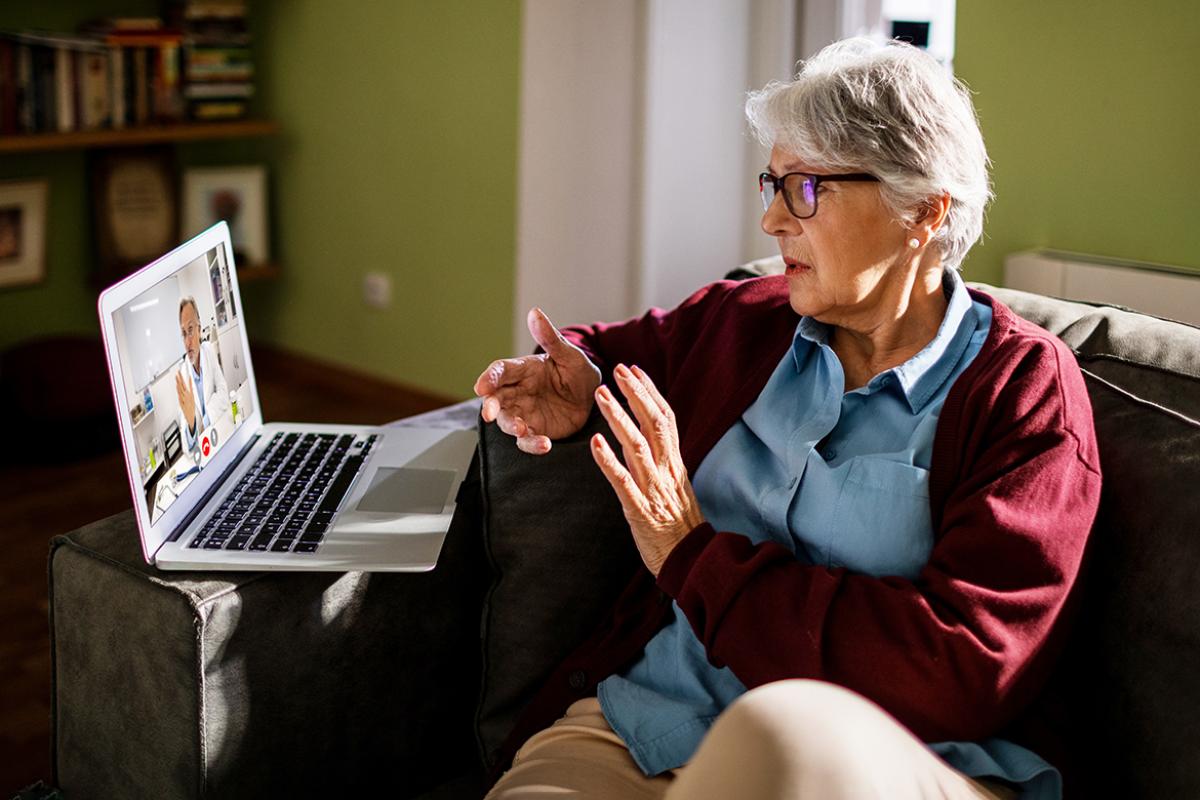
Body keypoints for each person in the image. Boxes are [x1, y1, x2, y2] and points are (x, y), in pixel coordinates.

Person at [474, 37, 1100, 800]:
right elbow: (612, 357)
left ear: (921, 211)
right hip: (652, 726)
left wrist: (690, 553)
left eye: (805, 189)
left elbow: (962, 667)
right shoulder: (748, 322)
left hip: (897, 763)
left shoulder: (1022, 391)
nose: (771, 219)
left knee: (782, 732)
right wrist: (573, 387)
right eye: (771, 183)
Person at [175, 296, 229, 455]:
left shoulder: (209, 350)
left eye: (190, 330)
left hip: (220, 433)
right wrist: (192, 425)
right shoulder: (182, 377)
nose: (187, 342)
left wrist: (204, 422)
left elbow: (223, 392)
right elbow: (187, 446)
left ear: (199, 329)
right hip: (203, 452)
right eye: (183, 333)